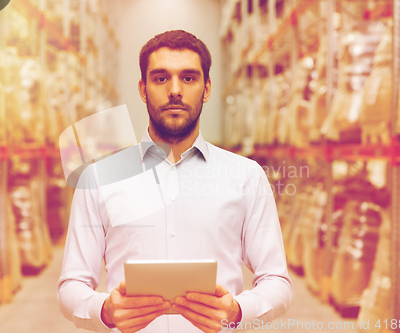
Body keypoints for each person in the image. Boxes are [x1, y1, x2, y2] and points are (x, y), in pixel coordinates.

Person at [57, 30, 293, 333]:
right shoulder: (99, 179)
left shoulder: (246, 176)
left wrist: (237, 311)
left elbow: (276, 281)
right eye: (160, 78)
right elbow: (71, 285)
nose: (175, 90)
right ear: (142, 89)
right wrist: (105, 310)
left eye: (189, 78)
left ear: (207, 89)